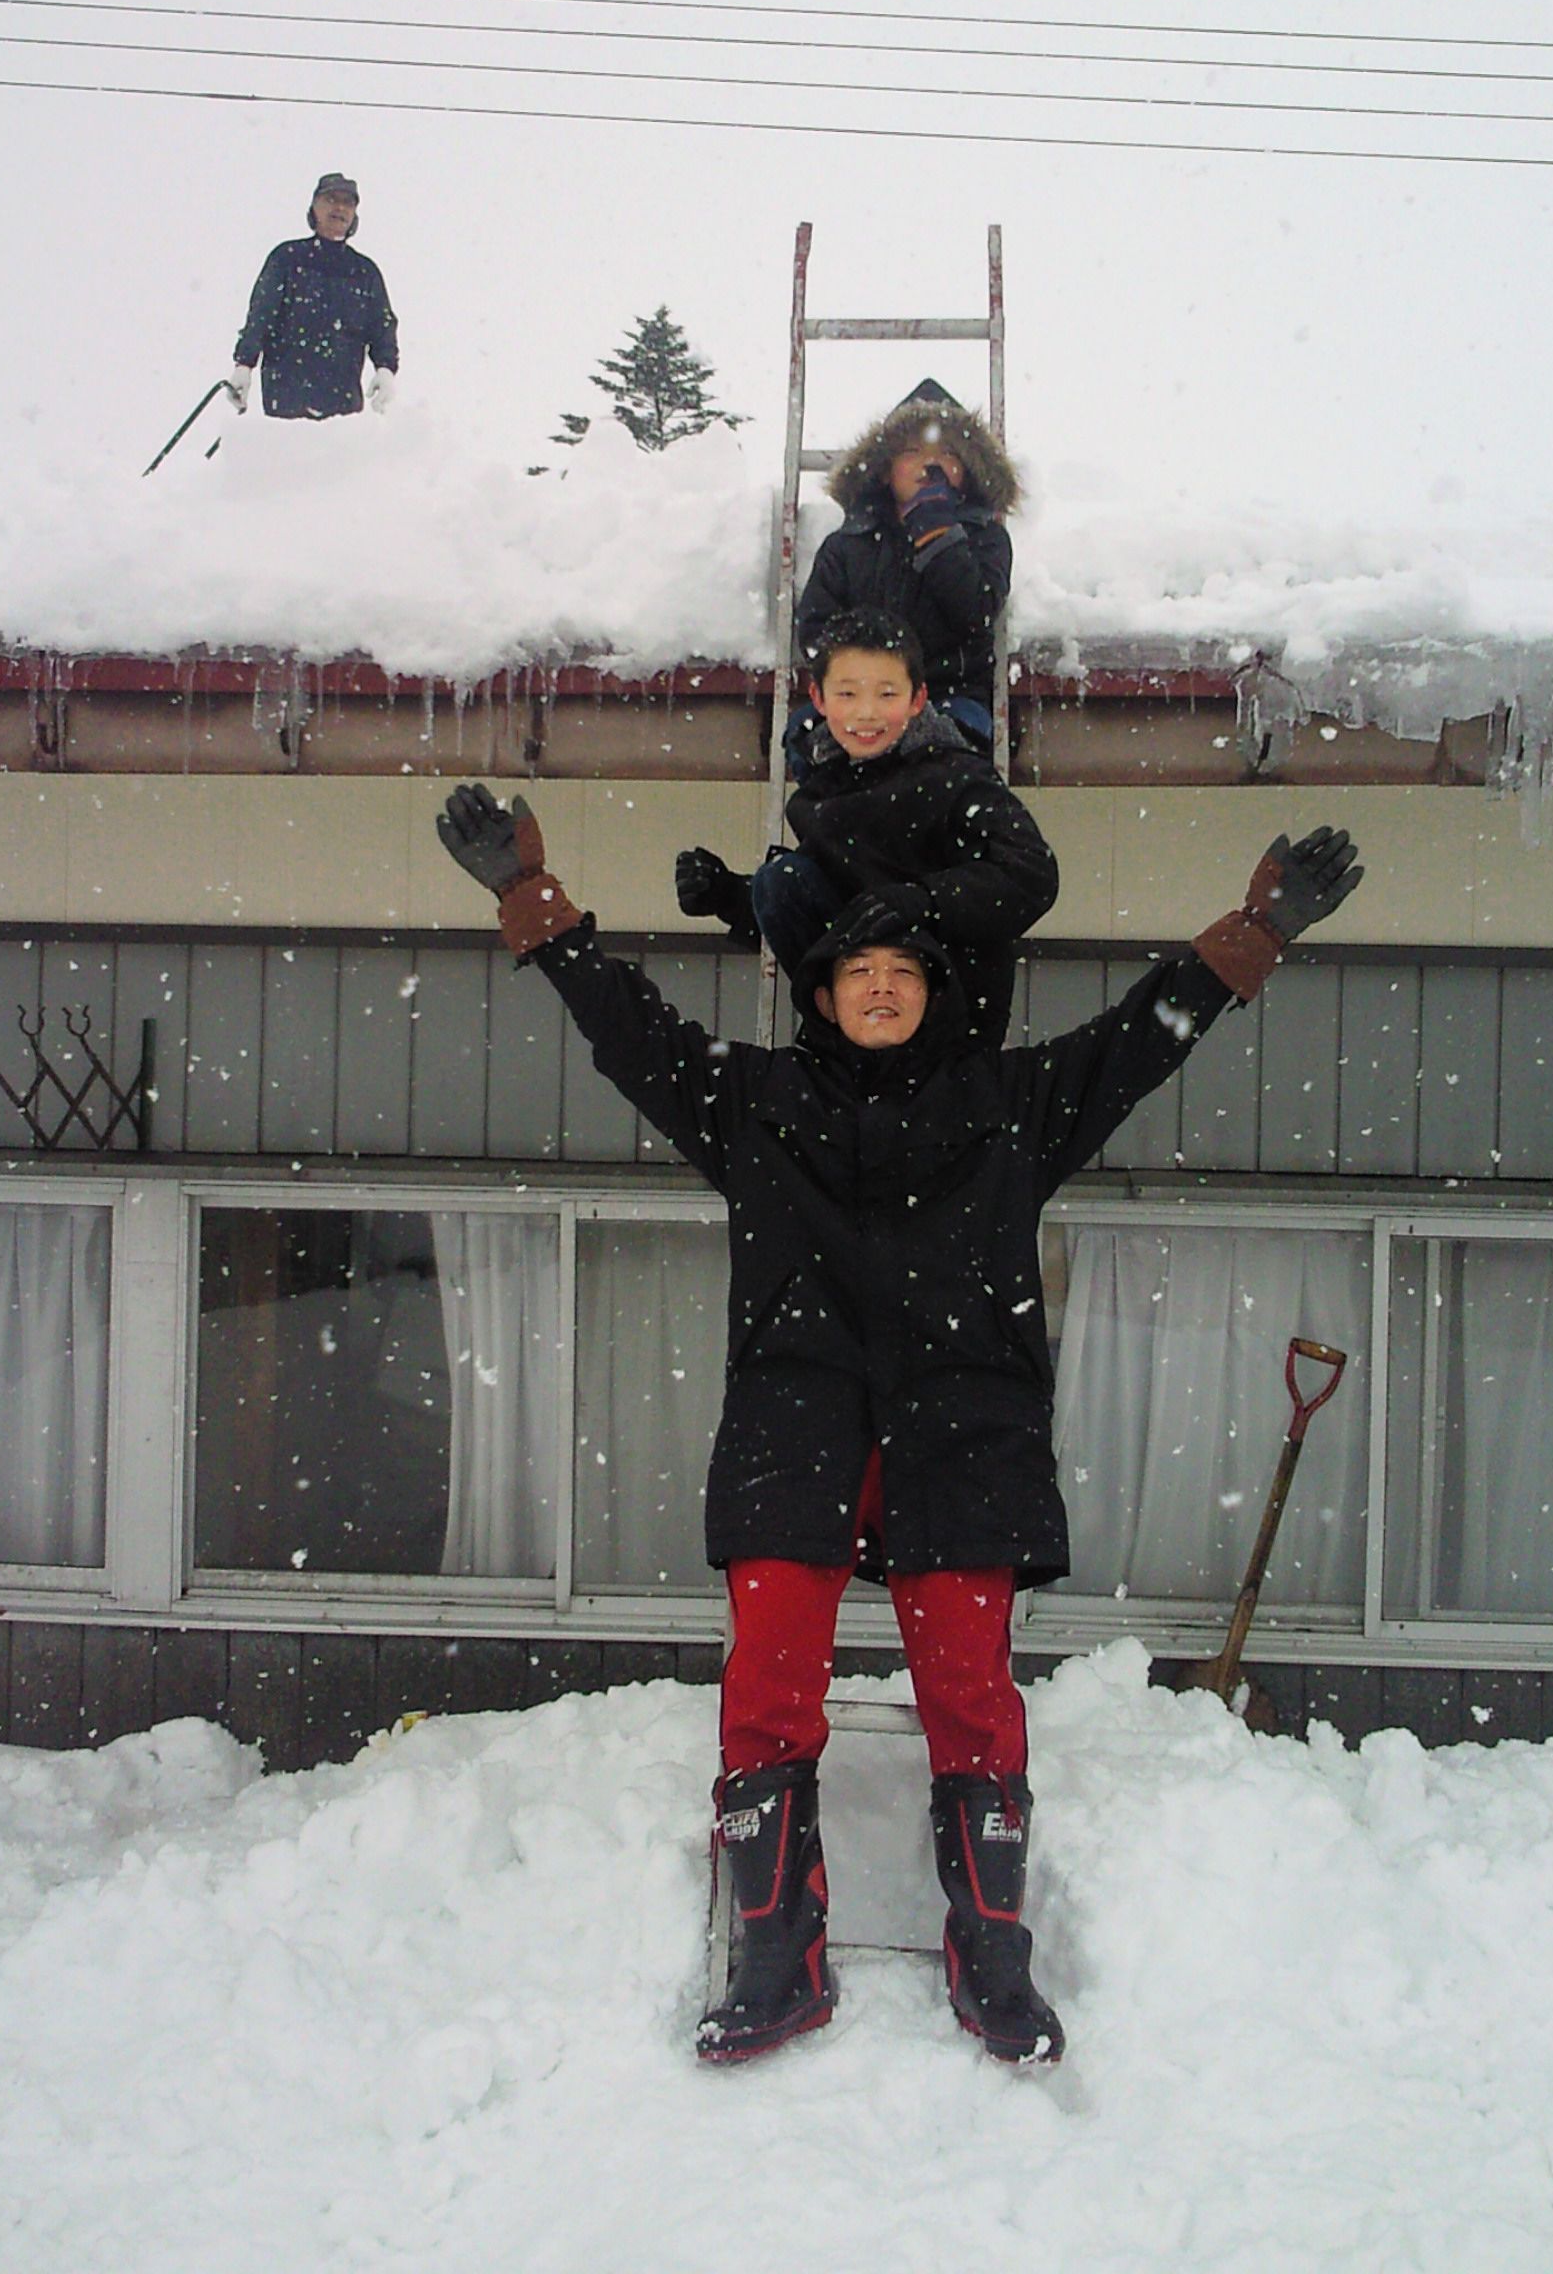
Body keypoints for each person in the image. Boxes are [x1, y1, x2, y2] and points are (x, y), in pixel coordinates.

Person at [435, 778, 1363, 2069]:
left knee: (973, 1697)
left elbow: (1142, 1037)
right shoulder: (757, 1104)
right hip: (795, 1427)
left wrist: (1256, 931)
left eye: (903, 971)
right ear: (821, 997)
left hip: (962, 1435)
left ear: (936, 993)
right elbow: (629, 1029)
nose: (879, 986)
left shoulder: (1010, 1107)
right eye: (855, 971)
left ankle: (993, 1960)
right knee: (766, 1688)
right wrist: (530, 899)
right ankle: (777, 1958)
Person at [674, 607, 1056, 1048]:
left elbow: (1031, 874)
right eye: (848, 694)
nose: (867, 713)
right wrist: (727, 896)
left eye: (887, 694)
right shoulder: (825, 790)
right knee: (780, 880)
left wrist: (926, 901)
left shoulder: (957, 777)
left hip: (950, 1029)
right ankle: (843, 1036)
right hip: (850, 1041)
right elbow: (833, 908)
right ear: (819, 699)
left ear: (917, 699)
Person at [795, 376, 1017, 761]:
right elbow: (816, 630)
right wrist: (868, 675)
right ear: (885, 470)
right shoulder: (848, 544)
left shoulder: (985, 539)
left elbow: (976, 613)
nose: (930, 463)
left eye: (947, 453)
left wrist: (939, 537)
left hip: (951, 695)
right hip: (863, 696)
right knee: (807, 741)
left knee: (940, 755)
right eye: (912, 451)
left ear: (967, 472)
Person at [224, 173, 399, 421]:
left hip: (342, 410)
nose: (340, 208)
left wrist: (385, 368)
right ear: (314, 207)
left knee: (339, 446)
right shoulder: (287, 259)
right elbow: (261, 316)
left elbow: (382, 326)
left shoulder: (364, 272)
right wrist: (244, 364)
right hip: (285, 401)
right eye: (331, 199)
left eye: (348, 202)